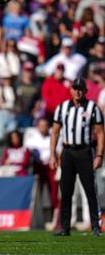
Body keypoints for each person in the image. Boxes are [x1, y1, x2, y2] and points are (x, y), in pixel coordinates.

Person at [50, 78, 104, 236]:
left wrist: (99, 155)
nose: (77, 91)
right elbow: (55, 132)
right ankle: (65, 227)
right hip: (67, 152)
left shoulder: (93, 107)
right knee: (66, 190)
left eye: (80, 88)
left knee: (90, 190)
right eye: (75, 88)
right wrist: (53, 154)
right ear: (71, 90)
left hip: (85, 151)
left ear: (85, 91)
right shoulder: (62, 107)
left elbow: (100, 133)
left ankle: (95, 225)